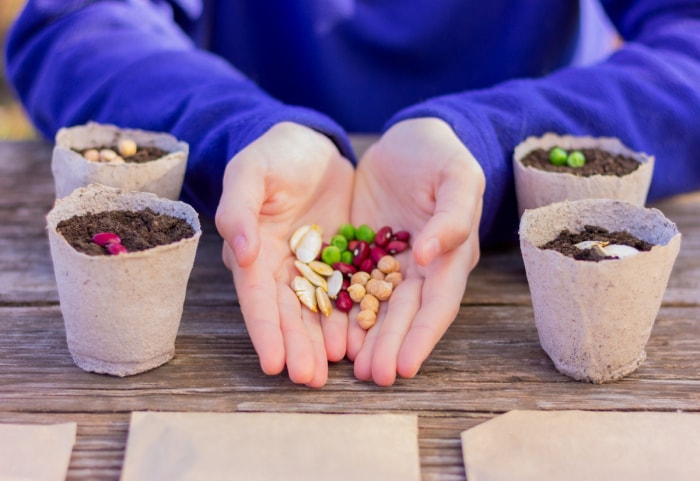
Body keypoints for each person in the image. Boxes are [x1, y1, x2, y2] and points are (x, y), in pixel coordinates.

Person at [6, 1, 700, 387]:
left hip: (541, 274)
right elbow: (72, 21)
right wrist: (239, 128)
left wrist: (487, 138)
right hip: (248, 235)